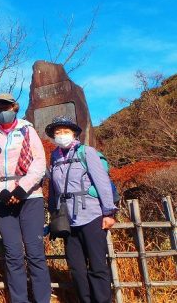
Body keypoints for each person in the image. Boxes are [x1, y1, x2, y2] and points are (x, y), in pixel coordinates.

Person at [0, 93, 51, 303]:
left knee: (35, 252)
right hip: (2, 200)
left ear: (15, 108)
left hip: (30, 197)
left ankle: (42, 299)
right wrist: (0, 191)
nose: (3, 111)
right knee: (13, 254)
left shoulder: (27, 131)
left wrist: (21, 190)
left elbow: (39, 163)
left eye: (6, 107)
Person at [46, 116, 117, 303]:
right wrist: (53, 214)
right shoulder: (54, 156)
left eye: (65, 131)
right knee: (76, 269)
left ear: (74, 133)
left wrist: (109, 212)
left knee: (97, 265)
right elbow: (53, 189)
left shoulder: (87, 152)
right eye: (58, 132)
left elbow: (102, 182)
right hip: (67, 219)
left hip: (92, 215)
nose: (61, 135)